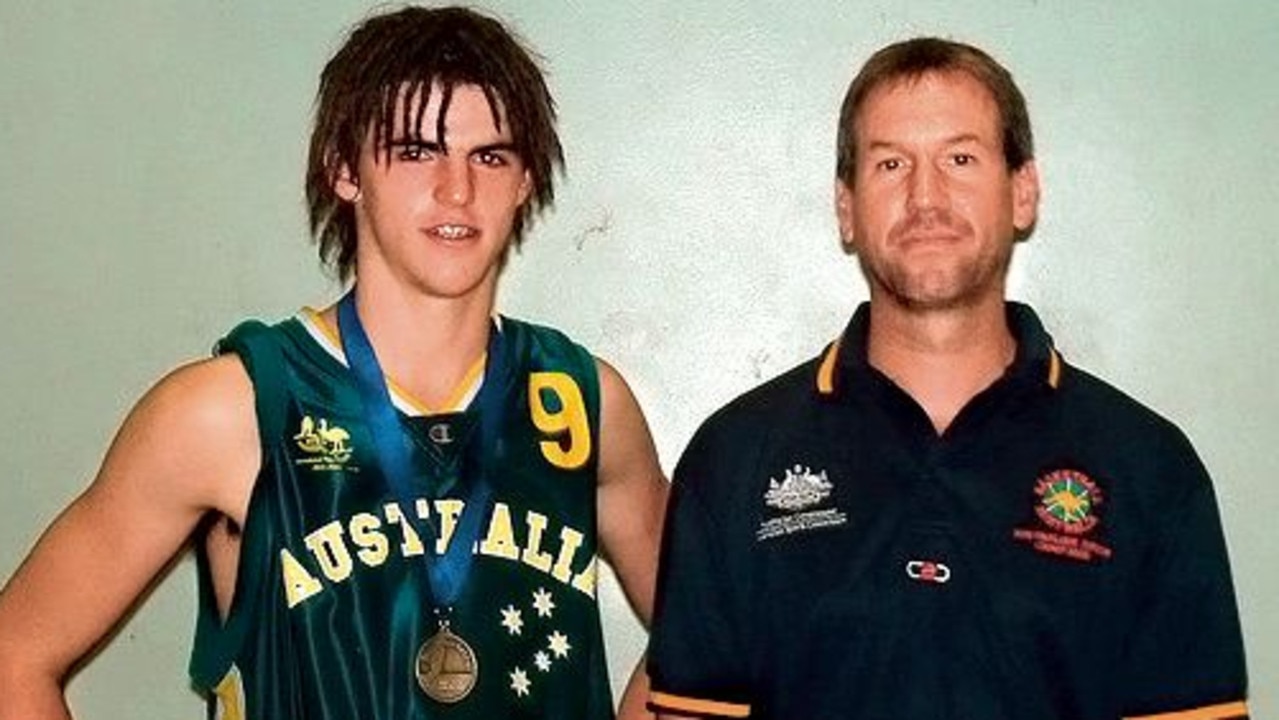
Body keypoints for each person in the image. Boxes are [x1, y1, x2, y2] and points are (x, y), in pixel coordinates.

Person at [0, 6, 667, 719]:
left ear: (526, 178)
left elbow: (720, 629)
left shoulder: (582, 399)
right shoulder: (228, 412)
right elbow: (15, 656)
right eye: (415, 152)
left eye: (489, 156)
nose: (456, 189)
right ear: (345, 169)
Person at [646, 37, 1249, 720]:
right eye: (889, 163)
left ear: (1022, 193)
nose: (924, 196)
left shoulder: (1149, 468)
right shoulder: (735, 459)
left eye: (959, 159)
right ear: (845, 208)